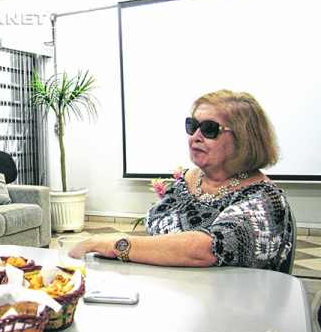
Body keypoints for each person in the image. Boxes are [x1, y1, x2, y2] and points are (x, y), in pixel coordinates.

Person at [70, 89, 293, 271]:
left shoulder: (264, 199)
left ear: (244, 139)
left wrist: (114, 245)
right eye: (192, 126)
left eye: (209, 129)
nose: (195, 136)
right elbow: (158, 228)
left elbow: (208, 249)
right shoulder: (189, 180)